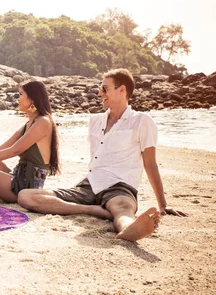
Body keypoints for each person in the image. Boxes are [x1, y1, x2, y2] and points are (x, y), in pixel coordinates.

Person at [18, 69, 187, 242]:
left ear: (122, 90)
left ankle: (128, 228)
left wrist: (163, 205)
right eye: (100, 88)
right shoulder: (95, 121)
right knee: (26, 196)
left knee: (122, 208)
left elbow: (150, 164)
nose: (100, 93)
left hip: (119, 186)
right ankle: (96, 210)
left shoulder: (142, 121)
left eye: (105, 89)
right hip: (89, 185)